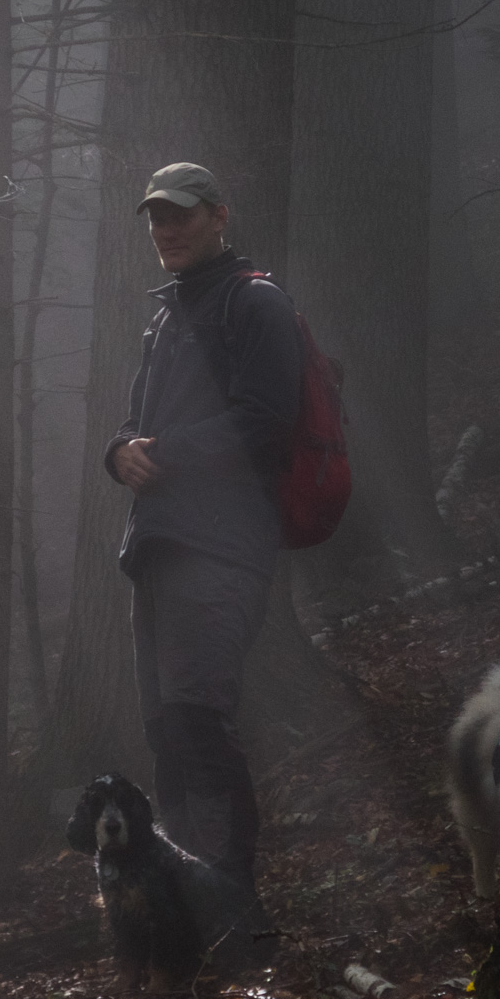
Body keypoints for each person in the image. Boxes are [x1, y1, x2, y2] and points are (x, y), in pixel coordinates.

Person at [104, 162, 301, 894]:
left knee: (196, 723)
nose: (167, 229)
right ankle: (186, 897)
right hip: (157, 548)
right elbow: (136, 424)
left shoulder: (255, 304)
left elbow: (267, 420)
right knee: (165, 732)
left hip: (220, 549)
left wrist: (168, 455)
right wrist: (118, 452)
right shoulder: (168, 315)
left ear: (220, 216)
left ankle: (229, 899)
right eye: (156, 218)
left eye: (181, 215)